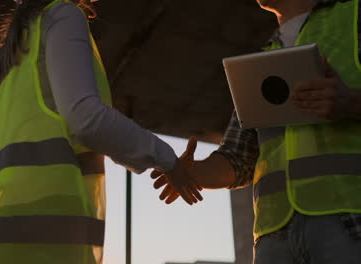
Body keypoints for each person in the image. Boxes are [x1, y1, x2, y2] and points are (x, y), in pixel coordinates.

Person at [0, 0, 202, 263]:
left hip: (4, 221)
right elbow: (86, 119)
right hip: (49, 225)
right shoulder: (63, 15)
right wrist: (167, 159)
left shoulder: (17, 44)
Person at [152, 0, 361, 263]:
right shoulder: (262, 60)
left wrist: (352, 102)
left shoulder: (354, 18)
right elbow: (238, 158)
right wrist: (194, 173)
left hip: (350, 225)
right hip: (273, 238)